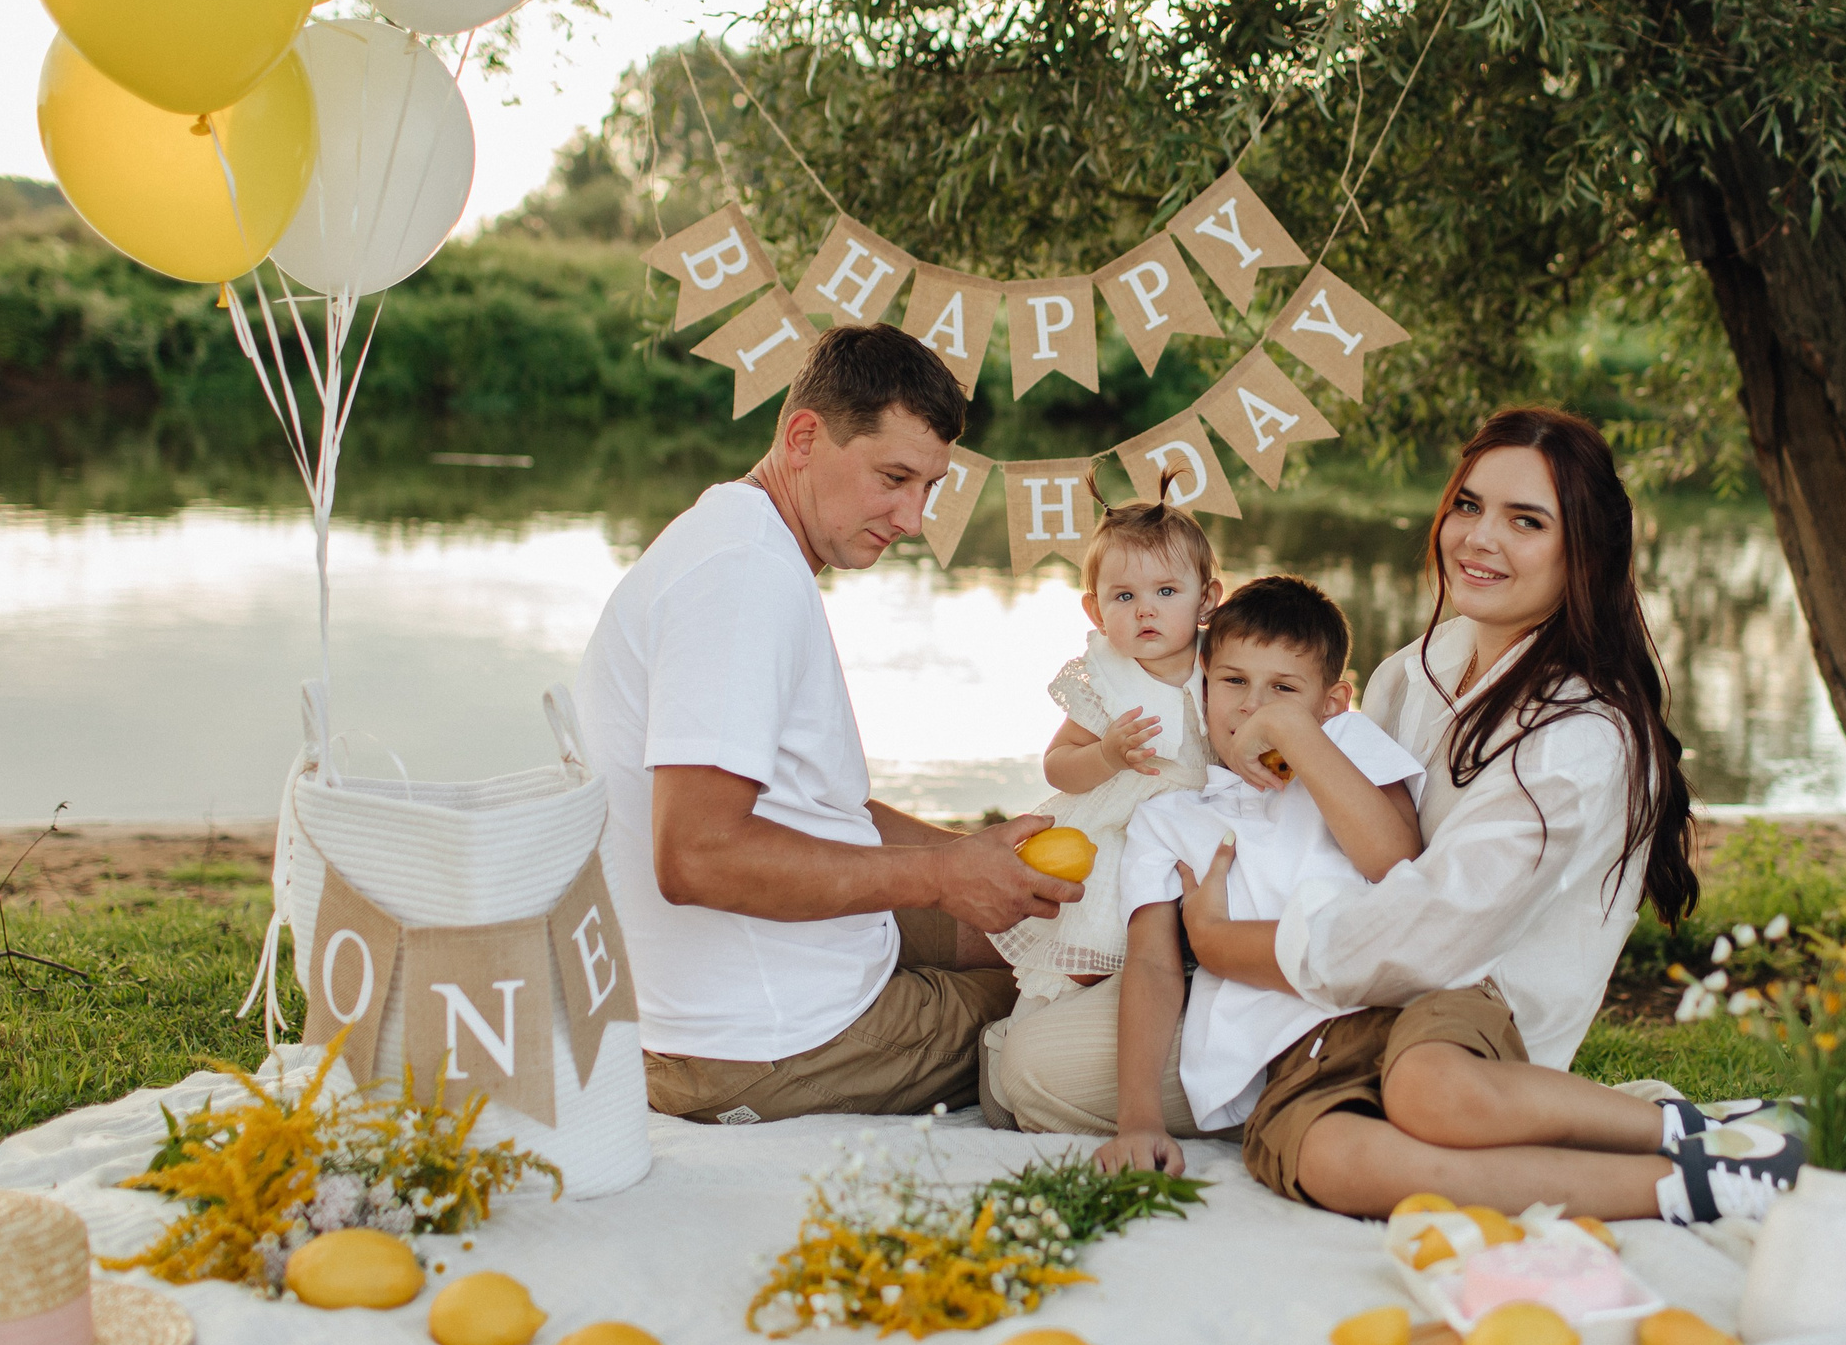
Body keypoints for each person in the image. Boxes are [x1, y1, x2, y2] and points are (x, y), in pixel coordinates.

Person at [1175, 407, 1806, 1226]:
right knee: (1325, 1156)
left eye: (1526, 520)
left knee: (1427, 1092)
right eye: (1468, 505)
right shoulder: (1424, 665)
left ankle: (1702, 1152)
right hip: (1350, 1010)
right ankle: (1696, 1173)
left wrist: (1226, 944)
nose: (1478, 537)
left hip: (1477, 1020)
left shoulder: (1578, 737)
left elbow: (1436, 929)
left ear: (1584, 553)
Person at [572, 324, 1074, 1126]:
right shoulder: (744, 578)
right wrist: (944, 880)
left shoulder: (734, 535)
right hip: (760, 1039)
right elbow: (696, 856)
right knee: (1076, 989)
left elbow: (819, 809)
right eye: (894, 477)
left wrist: (965, 854)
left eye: (929, 487)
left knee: (1067, 915)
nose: (912, 517)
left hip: (743, 983)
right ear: (804, 436)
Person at [1096, 576, 1425, 1177]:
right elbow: (1151, 964)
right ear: (1202, 684)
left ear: (1331, 703)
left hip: (1397, 1010)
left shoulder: (1346, 745)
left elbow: (1396, 861)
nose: (1253, 706)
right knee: (1347, 1160)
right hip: (1286, 1050)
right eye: (1233, 681)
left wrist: (1301, 740)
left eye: (1283, 689)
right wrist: (1138, 1120)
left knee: (1446, 1105)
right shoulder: (1168, 819)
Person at [992, 489, 1225, 1012]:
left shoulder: (1224, 666)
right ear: (1095, 609)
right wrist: (1107, 757)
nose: (1146, 609)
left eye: (1166, 591)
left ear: (1206, 598)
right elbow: (1057, 765)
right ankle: (1038, 1019)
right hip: (1116, 833)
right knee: (1093, 936)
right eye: (1124, 597)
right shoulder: (1106, 679)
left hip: (1198, 826)